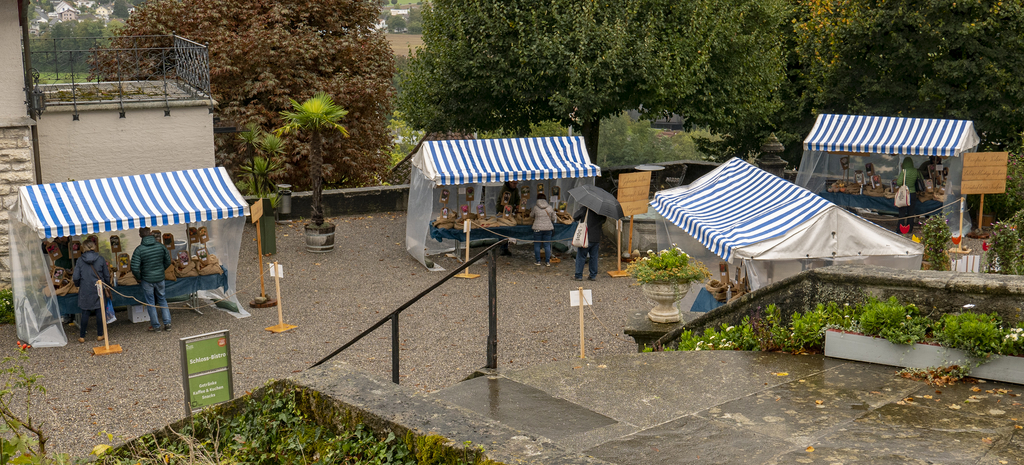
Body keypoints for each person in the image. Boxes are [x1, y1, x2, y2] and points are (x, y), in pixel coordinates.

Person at [131, 227, 172, 332]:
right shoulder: (161, 246)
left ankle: (156, 326)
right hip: (160, 278)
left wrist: (140, 277)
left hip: (147, 280)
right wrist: (161, 270)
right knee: (163, 299)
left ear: (140, 235)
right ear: (150, 233)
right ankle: (167, 323)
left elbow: (134, 268)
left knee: (151, 302)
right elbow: (168, 260)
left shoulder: (139, 250)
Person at [71, 241, 110, 343]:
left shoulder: (79, 260)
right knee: (99, 311)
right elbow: (106, 275)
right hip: (99, 287)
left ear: (83, 248)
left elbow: (75, 277)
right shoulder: (100, 259)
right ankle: (100, 335)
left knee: (85, 312)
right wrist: (108, 285)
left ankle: (82, 336)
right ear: (94, 247)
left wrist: (78, 284)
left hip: (85, 288)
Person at [573, 205, 606, 281]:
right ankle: (593, 275)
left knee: (581, 256)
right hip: (596, 238)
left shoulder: (585, 209)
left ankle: (578, 275)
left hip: (585, 236)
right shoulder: (601, 212)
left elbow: (575, 216)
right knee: (594, 257)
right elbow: (603, 220)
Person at [530, 193, 557, 266]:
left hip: (537, 228)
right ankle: (547, 261)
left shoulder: (535, 207)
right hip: (548, 228)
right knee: (547, 245)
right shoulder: (550, 207)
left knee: (537, 245)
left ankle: (538, 261)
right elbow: (553, 218)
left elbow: (531, 215)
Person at [896, 157, 920, 234]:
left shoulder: (904, 171)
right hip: (913, 193)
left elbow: (899, 182)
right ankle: (909, 229)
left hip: (904, 193)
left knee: (902, 212)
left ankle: (900, 229)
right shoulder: (916, 171)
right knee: (911, 212)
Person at [497, 180, 520, 256]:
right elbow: (505, 203)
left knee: (506, 231)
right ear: (509, 182)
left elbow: (517, 199)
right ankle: (502, 248)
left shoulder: (515, 190)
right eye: (514, 183)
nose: (515, 185)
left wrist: (519, 205)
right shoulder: (504, 190)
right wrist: (513, 207)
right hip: (501, 211)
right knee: (502, 230)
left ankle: (505, 248)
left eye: (516, 183)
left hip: (509, 211)